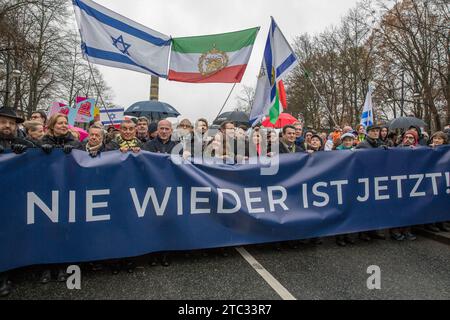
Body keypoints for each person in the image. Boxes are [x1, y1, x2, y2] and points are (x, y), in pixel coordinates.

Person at [0, 107, 35, 297]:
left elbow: (41, 156)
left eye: (11, 123)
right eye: (3, 122)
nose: (7, 126)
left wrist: (29, 151)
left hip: (15, 201)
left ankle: (7, 274)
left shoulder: (22, 142)